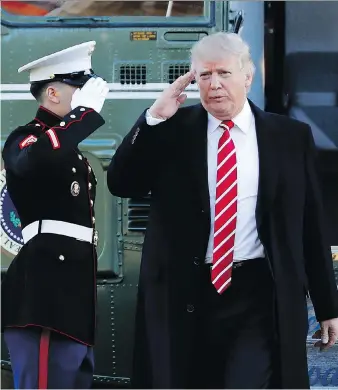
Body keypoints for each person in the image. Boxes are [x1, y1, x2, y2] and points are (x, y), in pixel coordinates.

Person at [106, 32, 338, 389]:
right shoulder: (173, 131)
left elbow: (310, 225)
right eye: (204, 76)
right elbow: (122, 183)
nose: (213, 85)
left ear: (248, 76)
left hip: (259, 292)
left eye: (223, 74)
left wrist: (327, 305)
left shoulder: (290, 137)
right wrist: (152, 118)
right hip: (187, 293)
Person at [1, 41, 109, 389]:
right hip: (44, 295)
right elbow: (41, 158)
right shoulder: (27, 140)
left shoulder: (68, 149)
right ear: (52, 91)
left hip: (73, 294)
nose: (87, 95)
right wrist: (84, 115)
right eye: (80, 87)